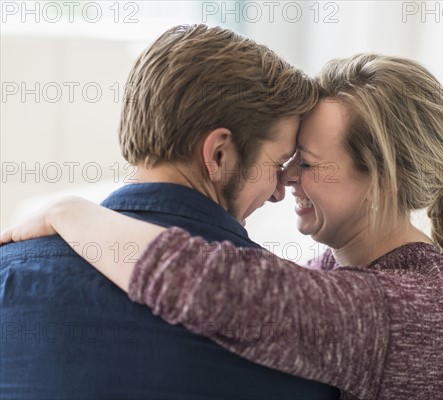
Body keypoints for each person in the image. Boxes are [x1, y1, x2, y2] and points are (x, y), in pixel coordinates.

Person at [2, 54, 443, 400]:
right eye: (287, 160)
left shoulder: (409, 312)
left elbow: (217, 286)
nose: (285, 181)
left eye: (305, 163)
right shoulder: (358, 282)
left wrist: (70, 212)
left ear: (385, 183)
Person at [0, 24, 338, 399]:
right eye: (276, 165)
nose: (279, 192)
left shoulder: (9, 274)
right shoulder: (300, 326)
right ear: (219, 154)